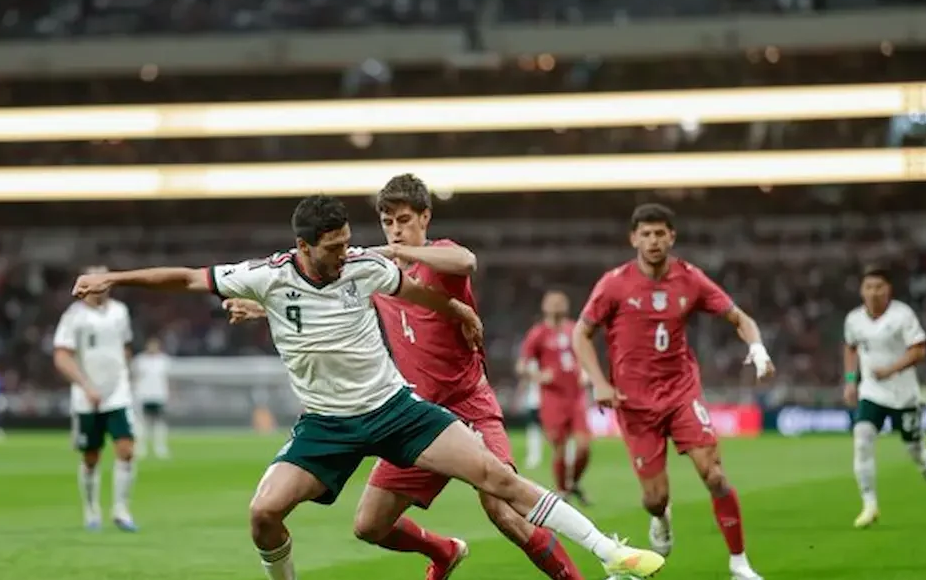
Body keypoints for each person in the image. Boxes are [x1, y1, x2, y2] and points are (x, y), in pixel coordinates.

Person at [72, 195, 666, 580]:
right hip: (325, 426)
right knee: (263, 515)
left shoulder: (364, 265)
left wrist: (458, 314)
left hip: (394, 410)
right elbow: (185, 277)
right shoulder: (267, 277)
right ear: (304, 247)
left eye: (346, 242)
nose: (344, 254)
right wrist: (113, 278)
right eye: (332, 248)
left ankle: (608, 552)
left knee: (498, 479)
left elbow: (423, 292)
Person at [229, 175, 589, 580]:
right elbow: (323, 301)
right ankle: (445, 551)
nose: (396, 230)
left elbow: (466, 262)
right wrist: (261, 308)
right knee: (370, 525)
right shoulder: (375, 275)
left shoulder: (441, 257)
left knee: (502, 509)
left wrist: (402, 252)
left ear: (425, 217)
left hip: (467, 407)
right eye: (388, 222)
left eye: (404, 219)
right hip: (412, 418)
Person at [573, 203, 774, 580]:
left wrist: (758, 349)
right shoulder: (614, 283)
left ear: (672, 237)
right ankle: (661, 517)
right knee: (654, 498)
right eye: (645, 234)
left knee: (713, 475)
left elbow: (739, 318)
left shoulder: (691, 279)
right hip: (634, 403)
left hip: (682, 393)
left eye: (660, 233)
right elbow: (580, 333)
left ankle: (739, 563)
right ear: (633, 238)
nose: (653, 241)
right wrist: (599, 381)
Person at [843, 266, 926, 528]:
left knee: (915, 451)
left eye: (878, 287)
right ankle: (869, 505)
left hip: (904, 395)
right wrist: (850, 382)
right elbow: (850, 347)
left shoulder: (902, 315)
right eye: (868, 287)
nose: (873, 292)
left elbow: (919, 350)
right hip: (871, 393)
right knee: (862, 439)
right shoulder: (854, 319)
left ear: (888, 289)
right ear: (862, 290)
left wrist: (890, 370)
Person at [52, 265, 139, 532]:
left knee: (126, 450)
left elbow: (125, 348)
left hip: (117, 394)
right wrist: (86, 385)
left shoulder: (120, 312)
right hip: (86, 396)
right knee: (91, 456)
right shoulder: (73, 316)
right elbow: (62, 355)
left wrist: (123, 376)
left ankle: (121, 510)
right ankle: (91, 509)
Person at [521, 289, 592, 504]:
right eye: (552, 302)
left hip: (576, 396)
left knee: (583, 447)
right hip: (552, 398)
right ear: (544, 306)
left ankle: (573, 482)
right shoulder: (538, 333)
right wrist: (539, 375)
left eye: (560, 301)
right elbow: (522, 365)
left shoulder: (574, 330)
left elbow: (586, 355)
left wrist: (586, 371)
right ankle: (563, 491)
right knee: (559, 447)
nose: (556, 305)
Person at [132, 336, 172, 459]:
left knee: (159, 423)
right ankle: (140, 448)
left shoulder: (164, 361)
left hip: (159, 396)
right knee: (142, 423)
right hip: (144, 395)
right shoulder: (140, 360)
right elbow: (135, 378)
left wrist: (169, 394)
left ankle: (160, 447)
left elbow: (167, 379)